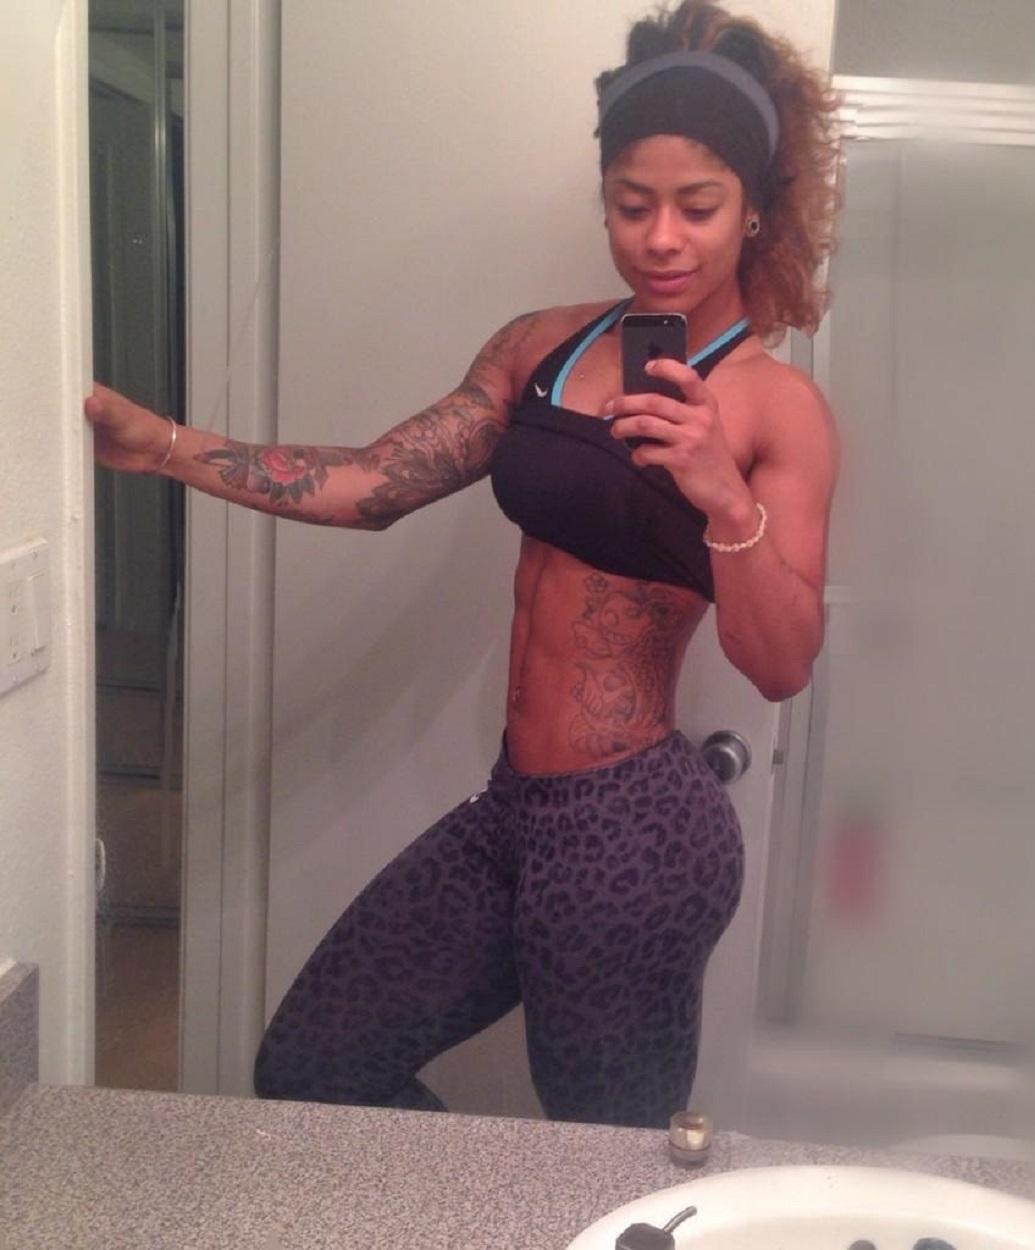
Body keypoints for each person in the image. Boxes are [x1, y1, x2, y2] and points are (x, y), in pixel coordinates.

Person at [84, 0, 841, 1128]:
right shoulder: (539, 345)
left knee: (602, 1150)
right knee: (316, 1062)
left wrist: (722, 494)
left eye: (698, 206)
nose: (661, 239)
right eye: (631, 204)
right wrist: (165, 447)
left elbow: (780, 663)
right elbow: (377, 482)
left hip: (636, 825)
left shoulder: (779, 408)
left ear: (754, 210)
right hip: (511, 806)